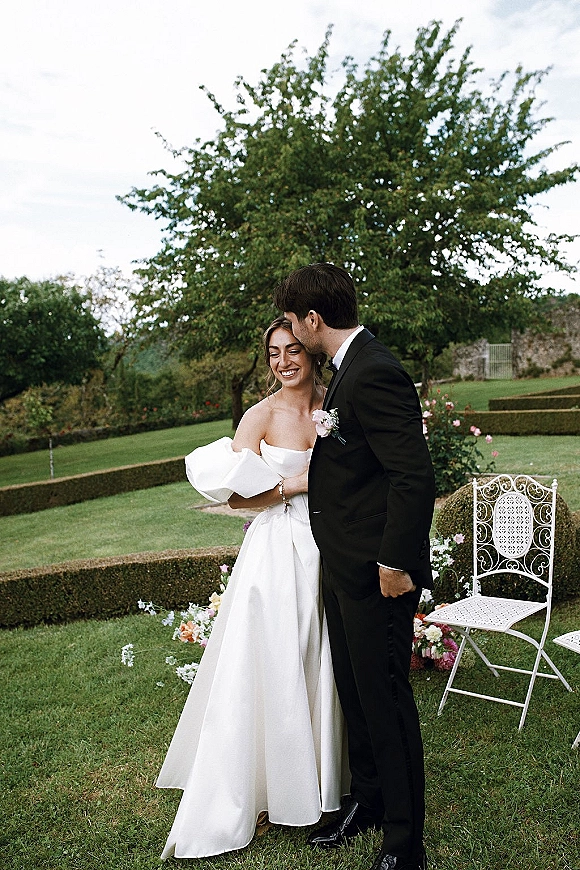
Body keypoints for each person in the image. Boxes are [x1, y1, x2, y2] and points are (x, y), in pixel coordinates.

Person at [155, 316, 347, 860]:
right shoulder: (258, 416)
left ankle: (328, 782)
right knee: (275, 660)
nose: (283, 362)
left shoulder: (335, 406)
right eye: (273, 354)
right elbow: (236, 499)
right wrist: (299, 483)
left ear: (311, 354)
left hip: (331, 546)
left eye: (293, 351)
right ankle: (262, 787)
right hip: (277, 553)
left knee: (322, 657)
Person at [274, 264, 435, 870]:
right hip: (342, 569)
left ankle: (404, 843)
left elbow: (413, 476)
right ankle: (368, 799)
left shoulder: (376, 372)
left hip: (376, 573)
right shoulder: (348, 371)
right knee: (356, 692)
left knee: (386, 699)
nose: (293, 335)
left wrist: (395, 562)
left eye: (295, 325)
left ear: (313, 321)